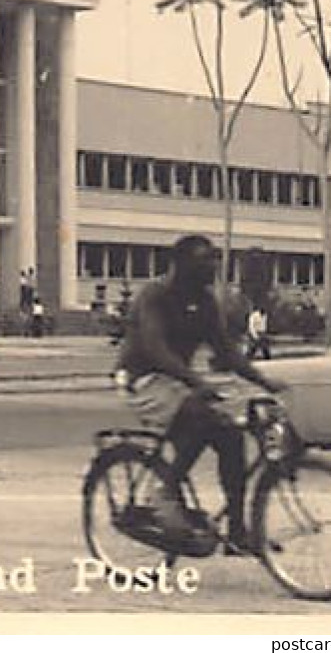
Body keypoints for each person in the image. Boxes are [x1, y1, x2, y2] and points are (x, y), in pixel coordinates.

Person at [115, 234, 286, 552]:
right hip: (143, 378)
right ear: (180, 265)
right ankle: (164, 491)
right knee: (201, 415)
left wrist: (264, 382)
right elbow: (155, 349)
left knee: (232, 437)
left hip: (178, 380)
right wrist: (196, 381)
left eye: (214, 259)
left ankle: (237, 532)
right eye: (204, 259)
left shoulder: (206, 301)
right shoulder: (155, 295)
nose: (212, 266)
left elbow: (226, 351)